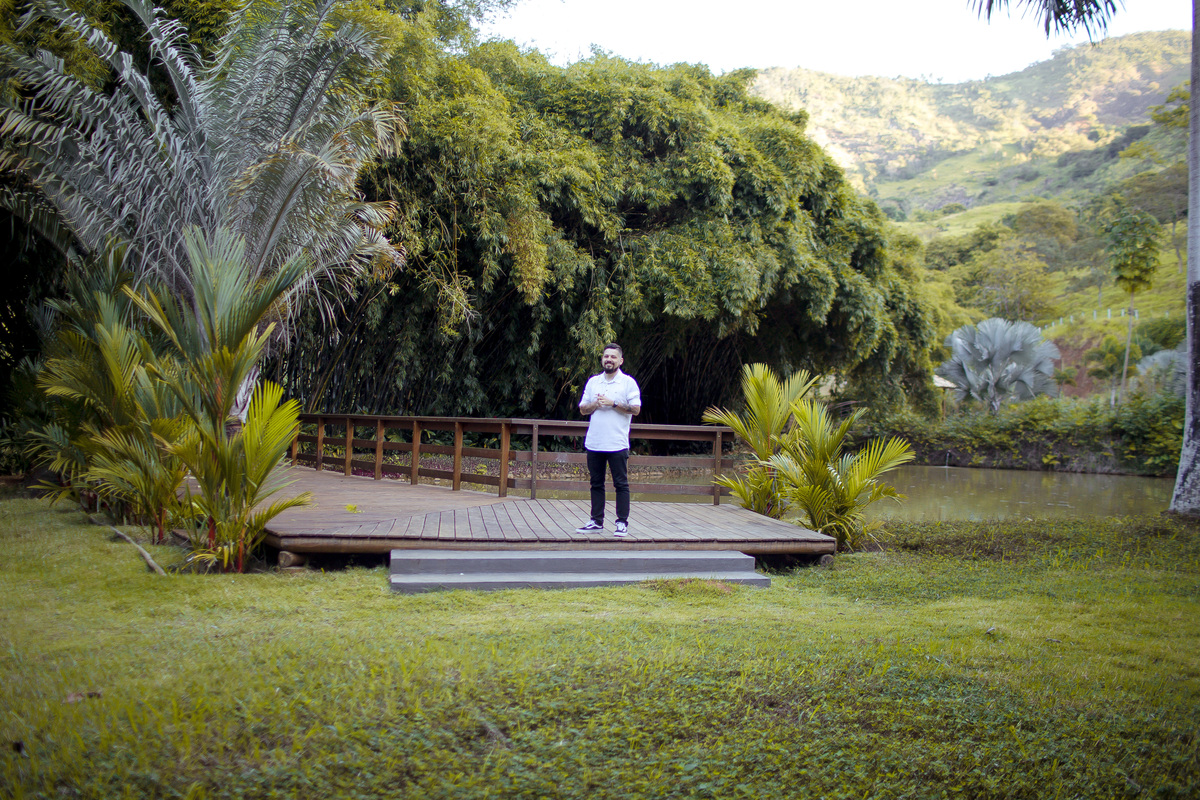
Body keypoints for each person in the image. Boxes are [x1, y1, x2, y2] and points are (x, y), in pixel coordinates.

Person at [575, 343, 641, 536]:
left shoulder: (628, 383)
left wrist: (613, 403)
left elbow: (636, 409)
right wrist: (595, 404)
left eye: (613, 357)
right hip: (595, 442)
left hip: (617, 443)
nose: (609, 360)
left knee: (621, 484)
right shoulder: (593, 382)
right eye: (606, 356)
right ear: (602, 359)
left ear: (620, 360)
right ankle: (596, 521)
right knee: (596, 483)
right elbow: (583, 409)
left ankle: (622, 522)